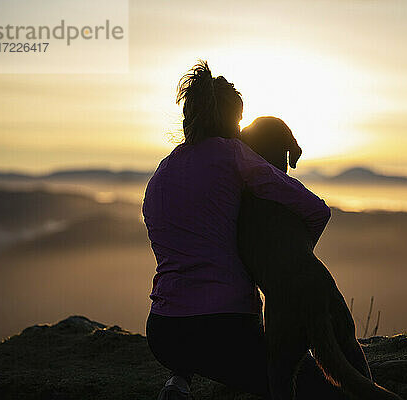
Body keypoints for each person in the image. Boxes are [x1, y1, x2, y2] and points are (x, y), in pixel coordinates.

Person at [143, 61, 341, 399]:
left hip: (163, 332)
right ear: (229, 120)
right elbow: (315, 210)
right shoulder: (234, 155)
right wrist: (289, 263)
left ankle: (179, 380)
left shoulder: (162, 172)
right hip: (225, 326)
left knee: (202, 339)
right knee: (319, 388)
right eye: (237, 120)